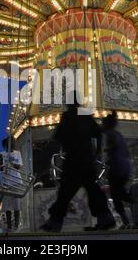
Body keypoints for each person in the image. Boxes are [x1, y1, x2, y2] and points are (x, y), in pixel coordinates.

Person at [40, 93, 115, 232]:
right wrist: (97, 152)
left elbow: (59, 138)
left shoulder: (68, 116)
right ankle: (105, 217)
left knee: (65, 192)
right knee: (92, 189)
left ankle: (54, 222)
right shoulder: (85, 114)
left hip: (73, 160)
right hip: (86, 160)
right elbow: (98, 133)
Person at [102, 111, 133, 228]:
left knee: (116, 196)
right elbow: (126, 151)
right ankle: (127, 218)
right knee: (118, 193)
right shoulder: (118, 134)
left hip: (117, 166)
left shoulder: (110, 134)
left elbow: (113, 145)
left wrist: (107, 151)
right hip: (126, 166)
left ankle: (126, 221)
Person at [0, 137, 23, 231]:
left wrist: (11, 162)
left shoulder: (17, 153)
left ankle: (16, 225)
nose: (13, 144)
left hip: (16, 181)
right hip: (6, 182)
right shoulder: (2, 154)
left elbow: (18, 167)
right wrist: (1, 159)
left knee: (16, 204)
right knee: (7, 205)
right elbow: (1, 169)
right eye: (12, 143)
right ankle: (9, 226)